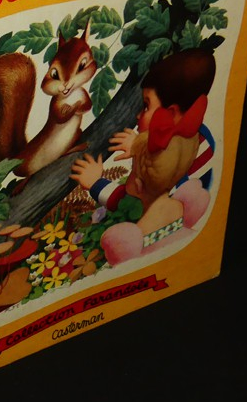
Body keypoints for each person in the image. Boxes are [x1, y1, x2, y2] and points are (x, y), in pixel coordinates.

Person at [70, 48, 216, 263]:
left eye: (146, 105)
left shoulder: (181, 159)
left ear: (172, 113)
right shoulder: (193, 141)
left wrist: (96, 183)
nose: (138, 115)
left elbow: (130, 203)